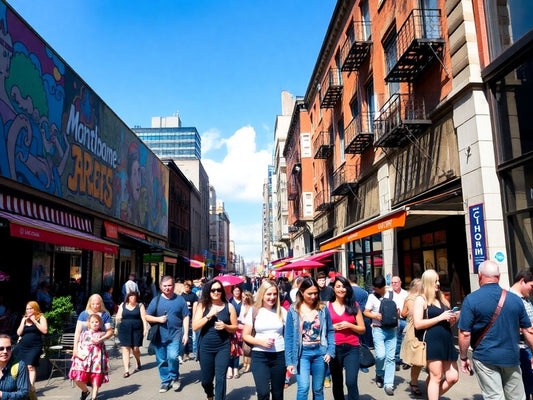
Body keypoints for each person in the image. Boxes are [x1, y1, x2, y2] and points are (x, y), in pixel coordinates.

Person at [459, 260, 533, 400]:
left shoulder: (471, 300)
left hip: (485, 357)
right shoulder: (515, 300)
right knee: (517, 397)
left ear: (480, 276)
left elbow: (465, 333)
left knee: (494, 396)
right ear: (498, 277)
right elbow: (529, 331)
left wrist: (463, 357)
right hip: (511, 357)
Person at [285, 277, 335, 400]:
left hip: (320, 353)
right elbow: (289, 337)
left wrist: (330, 351)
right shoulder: (293, 310)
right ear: (302, 292)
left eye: (315, 293)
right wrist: (289, 361)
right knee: (303, 388)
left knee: (318, 389)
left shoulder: (323, 308)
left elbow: (330, 331)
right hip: (302, 354)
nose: (313, 296)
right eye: (309, 293)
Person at [413, 269, 458, 400]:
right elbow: (418, 324)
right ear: (428, 282)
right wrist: (440, 318)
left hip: (447, 340)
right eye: (435, 281)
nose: (438, 283)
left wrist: (452, 320)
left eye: (438, 280)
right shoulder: (421, 300)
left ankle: (433, 396)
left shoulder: (442, 299)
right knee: (436, 377)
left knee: (453, 377)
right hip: (432, 342)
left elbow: (446, 322)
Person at [192, 279, 238, 400]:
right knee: (206, 381)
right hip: (206, 347)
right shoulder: (202, 305)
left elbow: (235, 327)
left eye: (219, 290)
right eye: (213, 290)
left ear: (222, 291)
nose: (216, 292)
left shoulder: (229, 306)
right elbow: (195, 326)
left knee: (221, 378)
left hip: (223, 346)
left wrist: (225, 326)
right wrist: (209, 315)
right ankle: (210, 394)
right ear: (208, 291)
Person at [242, 280, 287, 400]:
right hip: (259, 356)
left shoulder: (282, 311)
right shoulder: (254, 311)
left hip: (279, 356)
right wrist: (261, 342)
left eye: (274, 294)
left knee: (278, 394)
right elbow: (245, 335)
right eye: (268, 294)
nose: (272, 297)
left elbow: (289, 335)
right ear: (262, 294)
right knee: (263, 393)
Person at [145, 276, 190, 393]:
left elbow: (186, 316)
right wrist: (159, 319)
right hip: (159, 336)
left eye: (169, 285)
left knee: (173, 357)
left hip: (175, 334)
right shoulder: (156, 300)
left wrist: (186, 333)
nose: (167, 288)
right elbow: (147, 316)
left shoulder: (180, 300)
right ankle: (165, 381)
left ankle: (175, 378)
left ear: (173, 286)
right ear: (161, 287)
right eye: (165, 286)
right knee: (161, 360)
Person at [328, 276, 365, 400]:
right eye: (338, 286)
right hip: (334, 348)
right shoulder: (327, 306)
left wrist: (349, 325)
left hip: (352, 348)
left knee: (351, 382)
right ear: (333, 288)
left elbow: (362, 329)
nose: (341, 289)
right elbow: (322, 329)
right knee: (337, 382)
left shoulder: (354, 305)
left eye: (344, 286)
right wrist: (332, 327)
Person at [364, 275, 397, 396]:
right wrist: (375, 316)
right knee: (380, 355)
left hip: (392, 330)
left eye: (377, 288)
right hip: (378, 329)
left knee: (391, 358)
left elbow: (398, 309)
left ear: (383, 287)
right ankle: (379, 373)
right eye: (374, 288)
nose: (375, 290)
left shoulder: (391, 295)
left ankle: (389, 384)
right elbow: (366, 312)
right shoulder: (371, 297)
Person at [69, 313, 109, 400]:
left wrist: (99, 340)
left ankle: (94, 397)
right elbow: (81, 345)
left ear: (100, 323)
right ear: (89, 323)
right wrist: (76, 355)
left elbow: (107, 338)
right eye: (92, 322)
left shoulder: (101, 334)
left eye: (96, 322)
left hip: (97, 359)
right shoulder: (84, 333)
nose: (94, 324)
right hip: (84, 359)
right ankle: (85, 391)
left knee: (96, 378)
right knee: (78, 379)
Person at [14, 301, 48, 391]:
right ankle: (19, 384)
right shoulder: (24, 318)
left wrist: (34, 321)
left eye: (30, 308)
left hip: (34, 346)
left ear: (35, 308)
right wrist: (23, 322)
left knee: (30, 366)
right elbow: (19, 333)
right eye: (27, 309)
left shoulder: (40, 317)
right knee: (16, 364)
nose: (28, 310)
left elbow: (45, 331)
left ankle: (31, 387)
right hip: (22, 346)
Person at [510, 269, 533, 399]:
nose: (532, 289)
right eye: (531, 286)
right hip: (519, 349)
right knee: (523, 388)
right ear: (522, 281)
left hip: (529, 347)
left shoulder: (527, 300)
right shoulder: (509, 299)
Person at [399, 278, 424, 396]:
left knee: (420, 360)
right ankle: (414, 383)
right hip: (414, 331)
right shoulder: (412, 299)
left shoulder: (409, 298)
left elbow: (403, 313)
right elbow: (414, 314)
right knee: (417, 360)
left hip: (416, 328)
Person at [116, 291, 148, 378]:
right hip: (124, 328)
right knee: (125, 348)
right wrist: (118, 317)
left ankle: (138, 360)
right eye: (131, 297)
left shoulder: (140, 305)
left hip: (137, 328)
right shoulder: (123, 305)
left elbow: (143, 318)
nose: (133, 298)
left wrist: (145, 328)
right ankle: (126, 370)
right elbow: (118, 316)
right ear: (128, 298)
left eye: (134, 297)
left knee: (135, 348)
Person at [74, 294, 114, 361]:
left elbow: (109, 331)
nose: (95, 306)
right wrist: (75, 348)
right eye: (93, 304)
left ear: (101, 304)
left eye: (97, 304)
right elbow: (77, 332)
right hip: (84, 347)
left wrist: (100, 339)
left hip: (98, 348)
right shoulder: (83, 314)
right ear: (89, 303)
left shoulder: (105, 315)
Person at [0, 333, 29, 400]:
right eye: (1, 348)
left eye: (8, 348)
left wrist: (2, 395)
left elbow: (24, 393)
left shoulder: (20, 365)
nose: (5, 351)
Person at [390, 276, 409, 371]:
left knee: (406, 340)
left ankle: (406, 360)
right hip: (394, 321)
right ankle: (397, 360)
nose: (394, 284)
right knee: (396, 341)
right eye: (392, 282)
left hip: (405, 319)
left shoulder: (406, 294)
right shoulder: (388, 294)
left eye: (396, 282)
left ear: (400, 282)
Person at [227, 284, 243, 379]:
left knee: (238, 348)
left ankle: (236, 367)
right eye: (235, 291)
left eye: (238, 291)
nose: (237, 292)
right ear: (232, 292)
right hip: (231, 326)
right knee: (230, 348)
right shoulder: (230, 301)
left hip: (240, 327)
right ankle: (229, 367)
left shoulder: (243, 302)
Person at [180, 280, 199, 361]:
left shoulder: (194, 296)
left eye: (188, 287)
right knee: (184, 335)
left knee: (194, 337)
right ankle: (186, 353)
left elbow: (195, 307)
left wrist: (194, 318)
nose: (186, 288)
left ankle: (195, 353)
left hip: (192, 318)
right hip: (184, 318)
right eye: (185, 286)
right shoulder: (182, 296)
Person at [238, 290, 254, 374]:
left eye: (245, 297)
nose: (243, 299)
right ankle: (244, 363)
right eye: (242, 297)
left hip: (249, 329)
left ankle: (248, 365)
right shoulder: (242, 306)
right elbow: (240, 318)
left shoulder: (252, 307)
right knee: (244, 348)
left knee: (248, 348)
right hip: (243, 327)